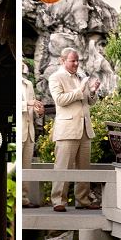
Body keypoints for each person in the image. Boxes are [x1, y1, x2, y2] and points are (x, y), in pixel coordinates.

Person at [48, 47, 101, 212]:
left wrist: (92, 91)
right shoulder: (55, 77)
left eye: (78, 60)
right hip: (67, 128)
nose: (76, 64)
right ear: (62, 61)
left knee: (84, 167)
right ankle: (58, 201)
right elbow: (60, 100)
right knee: (63, 166)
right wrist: (80, 90)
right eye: (73, 61)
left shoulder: (81, 76)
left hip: (85, 127)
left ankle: (83, 200)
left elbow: (89, 102)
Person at [21, 64, 45, 208]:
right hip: (21, 130)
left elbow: (33, 107)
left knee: (27, 167)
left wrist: (39, 111)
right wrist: (27, 104)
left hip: (29, 130)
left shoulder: (28, 84)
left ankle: (24, 199)